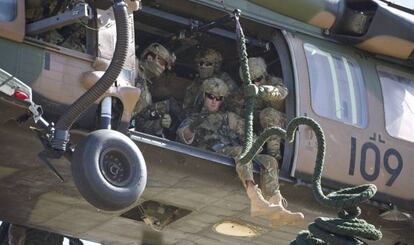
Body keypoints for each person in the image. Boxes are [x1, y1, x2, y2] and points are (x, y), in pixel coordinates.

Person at [177, 77, 304, 227]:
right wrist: (193, 127)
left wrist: (247, 144)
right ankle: (254, 198)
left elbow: (252, 138)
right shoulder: (193, 118)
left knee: (270, 161)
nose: (213, 101)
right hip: (210, 155)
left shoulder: (229, 118)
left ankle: (277, 209)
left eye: (218, 98)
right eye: (210, 96)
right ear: (202, 96)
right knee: (241, 151)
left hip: (236, 154)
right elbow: (183, 136)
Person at [227, 57, 288, 160]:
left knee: (267, 114)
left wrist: (262, 91)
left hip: (280, 125)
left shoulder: (273, 81)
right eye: (251, 82)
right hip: (258, 128)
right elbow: (233, 106)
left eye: (258, 79)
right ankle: (250, 151)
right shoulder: (244, 90)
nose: (255, 83)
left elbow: (281, 92)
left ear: (264, 75)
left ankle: (274, 157)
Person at [133, 43, 176, 137]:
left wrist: (159, 123)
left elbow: (140, 126)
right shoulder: (132, 67)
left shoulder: (147, 89)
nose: (163, 68)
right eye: (162, 62)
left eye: (165, 65)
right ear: (149, 57)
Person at [182, 48, 238, 114]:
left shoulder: (224, 78)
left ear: (215, 65)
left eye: (208, 64)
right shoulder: (197, 82)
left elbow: (234, 100)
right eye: (201, 63)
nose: (203, 66)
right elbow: (187, 104)